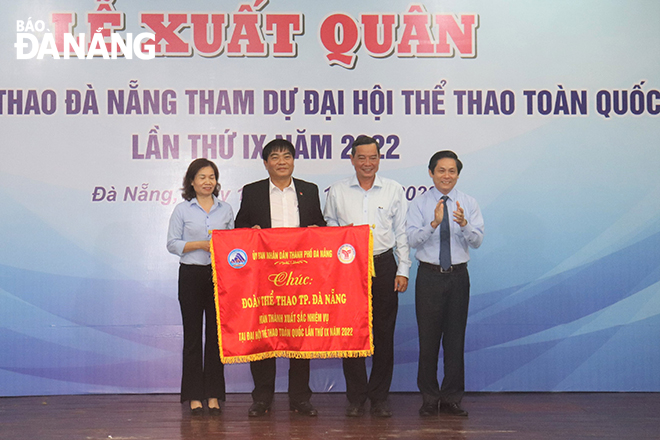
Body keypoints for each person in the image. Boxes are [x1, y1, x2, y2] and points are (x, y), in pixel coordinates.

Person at [235, 138, 326, 417]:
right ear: (266, 164)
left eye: (287, 156)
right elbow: (239, 227)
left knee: (300, 334)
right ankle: (262, 397)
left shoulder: (309, 190)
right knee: (265, 334)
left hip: (301, 276)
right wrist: (252, 231)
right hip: (266, 276)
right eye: (275, 157)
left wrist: (316, 230)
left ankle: (300, 397)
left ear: (294, 161)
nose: (282, 161)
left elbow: (321, 226)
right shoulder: (252, 192)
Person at [323, 135, 411, 418]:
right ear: (352, 159)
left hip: (384, 265)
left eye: (373, 157)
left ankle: (380, 396)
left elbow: (402, 233)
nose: (367, 163)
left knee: (384, 333)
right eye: (361, 157)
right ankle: (356, 397)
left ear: (379, 159)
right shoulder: (337, 191)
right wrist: (341, 232)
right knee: (352, 335)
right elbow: (328, 226)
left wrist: (403, 270)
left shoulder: (394, 190)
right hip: (349, 268)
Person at [406, 150, 484, 417]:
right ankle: (429, 398)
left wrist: (463, 225)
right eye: (441, 170)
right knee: (428, 341)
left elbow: (477, 240)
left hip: (458, 277)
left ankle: (452, 398)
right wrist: (433, 224)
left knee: (455, 340)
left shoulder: (468, 203)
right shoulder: (419, 204)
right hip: (428, 276)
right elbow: (412, 240)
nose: (446, 176)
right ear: (431, 173)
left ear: (458, 174)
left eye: (452, 171)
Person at [166, 158, 234, 416]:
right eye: (202, 177)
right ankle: (194, 396)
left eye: (212, 177)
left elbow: (233, 244)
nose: (208, 181)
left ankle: (214, 394)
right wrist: (200, 245)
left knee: (217, 338)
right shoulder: (183, 210)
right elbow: (172, 244)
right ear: (192, 181)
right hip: (191, 275)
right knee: (193, 337)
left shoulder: (226, 209)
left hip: (219, 277)